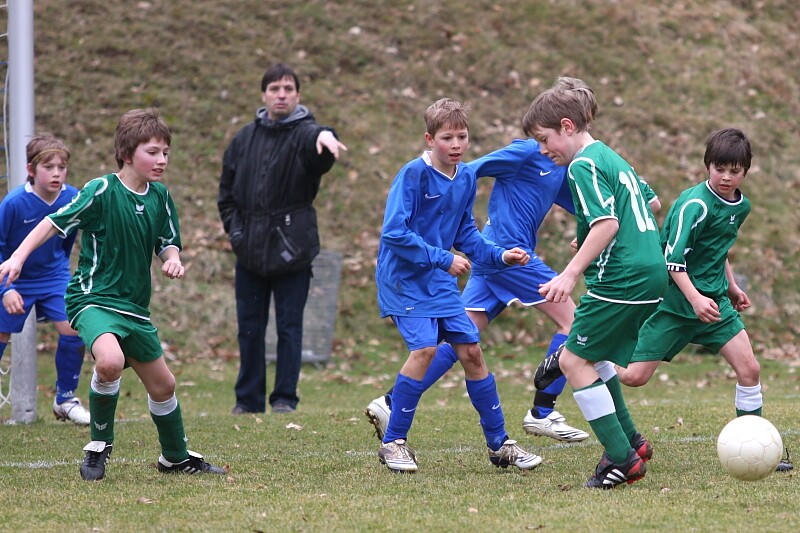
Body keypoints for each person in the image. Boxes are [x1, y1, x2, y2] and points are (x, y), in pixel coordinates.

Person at [0, 109, 225, 481]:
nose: (162, 160)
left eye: (165, 152)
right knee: (109, 361)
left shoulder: (160, 197)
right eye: (152, 152)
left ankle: (174, 457)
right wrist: (18, 258)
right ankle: (98, 446)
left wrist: (173, 260)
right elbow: (53, 223)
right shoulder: (101, 190)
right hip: (93, 298)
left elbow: (167, 242)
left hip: (133, 307)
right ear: (126, 153)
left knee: (164, 385)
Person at [366, 138, 597, 444]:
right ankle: (542, 412)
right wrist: (438, 218)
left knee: (464, 341)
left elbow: (584, 209)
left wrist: (587, 231)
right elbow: (468, 171)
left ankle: (391, 401)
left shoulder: (561, 164)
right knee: (574, 322)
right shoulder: (526, 151)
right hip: (510, 254)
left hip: (495, 256)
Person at [375, 97, 540, 473]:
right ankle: (393, 443)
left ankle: (500, 445)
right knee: (424, 350)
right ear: (429, 139)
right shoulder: (413, 175)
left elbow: (466, 233)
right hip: (403, 279)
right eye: (447, 138)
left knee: (471, 352)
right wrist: (442, 258)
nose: (456, 145)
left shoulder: (465, 177)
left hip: (438, 280)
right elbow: (394, 233)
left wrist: (500, 255)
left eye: (462, 137)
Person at [614, 127, 792, 472]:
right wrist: (695, 299)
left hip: (714, 304)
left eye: (734, 171)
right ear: (707, 165)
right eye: (719, 168)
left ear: (745, 171)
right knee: (633, 377)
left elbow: (716, 249)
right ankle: (594, 357)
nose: (726, 177)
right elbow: (672, 260)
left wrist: (731, 286)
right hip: (675, 305)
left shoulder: (741, 206)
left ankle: (755, 447)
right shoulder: (694, 205)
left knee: (750, 369)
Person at [525, 77, 667, 489]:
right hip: (650, 271)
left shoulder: (582, 164)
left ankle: (621, 459)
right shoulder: (611, 156)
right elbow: (651, 202)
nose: (543, 149)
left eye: (544, 139)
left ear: (567, 127)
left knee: (572, 362)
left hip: (621, 277)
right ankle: (632, 441)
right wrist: (591, 232)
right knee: (596, 356)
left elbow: (608, 223)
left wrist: (570, 272)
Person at [218, 63, 347, 415]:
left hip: (293, 250)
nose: (281, 95)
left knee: (290, 328)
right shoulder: (243, 139)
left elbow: (317, 149)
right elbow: (226, 196)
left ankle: (285, 399)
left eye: (288, 89)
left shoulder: (305, 134)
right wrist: (237, 233)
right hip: (249, 251)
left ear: (298, 95)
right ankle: (248, 400)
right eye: (275, 88)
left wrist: (326, 136)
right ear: (264, 94)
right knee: (249, 329)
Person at [0, 134, 89, 425]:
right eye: (48, 167)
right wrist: (5, 290)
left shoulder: (72, 197)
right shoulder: (13, 204)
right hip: (13, 279)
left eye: (62, 167)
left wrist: (60, 268)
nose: (56, 174)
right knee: (1, 335)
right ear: (31, 169)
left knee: (74, 328)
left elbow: (67, 241)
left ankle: (65, 399)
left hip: (53, 276)